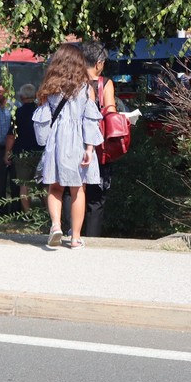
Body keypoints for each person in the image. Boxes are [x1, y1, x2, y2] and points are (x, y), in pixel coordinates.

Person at [34, 43, 103, 250]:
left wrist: (45, 143)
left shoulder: (49, 89)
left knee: (54, 187)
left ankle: (56, 226)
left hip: (56, 142)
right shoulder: (86, 89)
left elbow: (42, 121)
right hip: (78, 143)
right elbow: (89, 120)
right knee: (78, 190)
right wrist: (90, 148)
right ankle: (75, 238)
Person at [80, 41, 116, 237]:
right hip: (98, 146)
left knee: (72, 192)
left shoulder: (72, 81)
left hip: (74, 143)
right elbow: (110, 113)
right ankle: (92, 239)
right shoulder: (105, 83)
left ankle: (71, 233)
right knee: (96, 199)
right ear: (99, 63)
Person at [5, 83, 42, 211]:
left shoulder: (18, 113)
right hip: (41, 151)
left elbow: (11, 136)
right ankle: (48, 213)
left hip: (22, 153)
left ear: (21, 97)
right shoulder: (41, 110)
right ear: (35, 95)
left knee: (24, 184)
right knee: (44, 184)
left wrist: (7, 152)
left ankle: (27, 213)